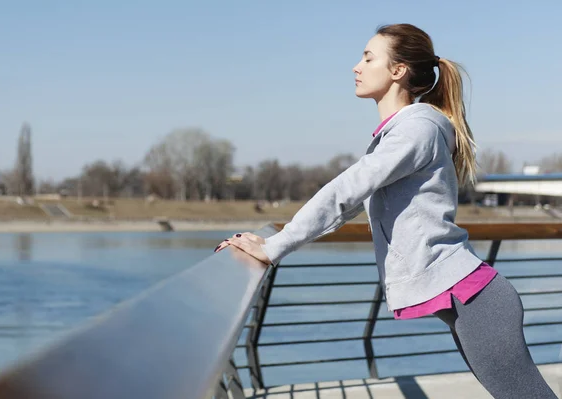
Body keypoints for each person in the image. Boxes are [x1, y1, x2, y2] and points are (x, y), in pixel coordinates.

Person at [214, 23, 558, 398]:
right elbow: (345, 205)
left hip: (479, 304)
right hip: (473, 302)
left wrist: (273, 246)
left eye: (368, 57)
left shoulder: (416, 131)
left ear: (398, 71)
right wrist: (272, 242)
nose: (356, 67)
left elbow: (344, 190)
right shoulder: (404, 132)